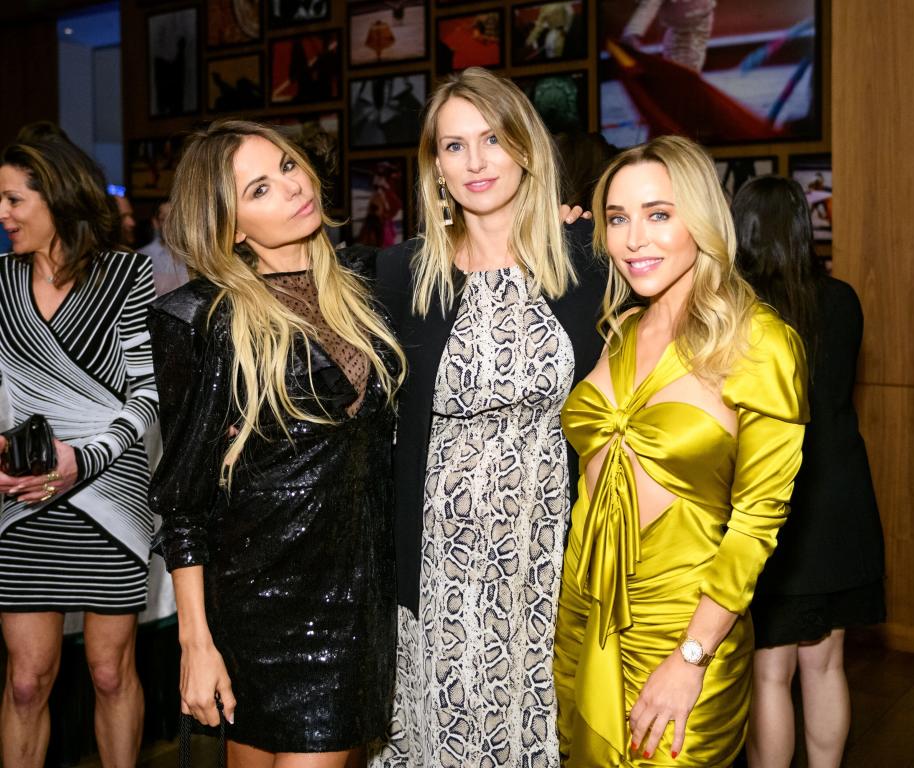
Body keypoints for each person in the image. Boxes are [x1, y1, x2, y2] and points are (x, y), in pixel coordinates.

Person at [147, 119, 405, 767]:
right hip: (252, 607)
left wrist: (570, 227)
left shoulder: (368, 284)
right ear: (231, 225)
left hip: (350, 605)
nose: (292, 188)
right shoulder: (201, 318)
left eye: (288, 166)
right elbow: (182, 501)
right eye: (260, 188)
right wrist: (195, 644)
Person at [370, 67, 606, 768]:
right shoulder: (400, 273)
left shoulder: (588, 262)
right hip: (435, 565)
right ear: (434, 167)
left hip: (546, 559)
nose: (475, 162)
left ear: (527, 148)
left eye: (493, 140)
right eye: (454, 146)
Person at [553, 136, 809, 767]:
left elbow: (755, 526)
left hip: (685, 632)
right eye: (618, 219)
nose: (634, 239)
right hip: (584, 615)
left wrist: (691, 658)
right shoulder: (618, 330)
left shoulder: (758, 342)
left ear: (701, 219)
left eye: (659, 214)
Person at [0, 133, 158, 767]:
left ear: (56, 197)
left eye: (13, 199)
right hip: (23, 501)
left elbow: (146, 400)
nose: (3, 215)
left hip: (110, 495)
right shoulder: (2, 283)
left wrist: (80, 462)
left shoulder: (127, 275)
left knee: (110, 673)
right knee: (25, 680)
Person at [732, 176, 885, 768]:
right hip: (843, 500)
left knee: (769, 671)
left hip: (773, 505)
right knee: (826, 663)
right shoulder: (842, 299)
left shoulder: (738, 310)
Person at [138, 200, 189, 296]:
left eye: (175, 218)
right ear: (155, 223)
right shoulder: (143, 256)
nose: (171, 224)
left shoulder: (193, 256)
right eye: (165, 218)